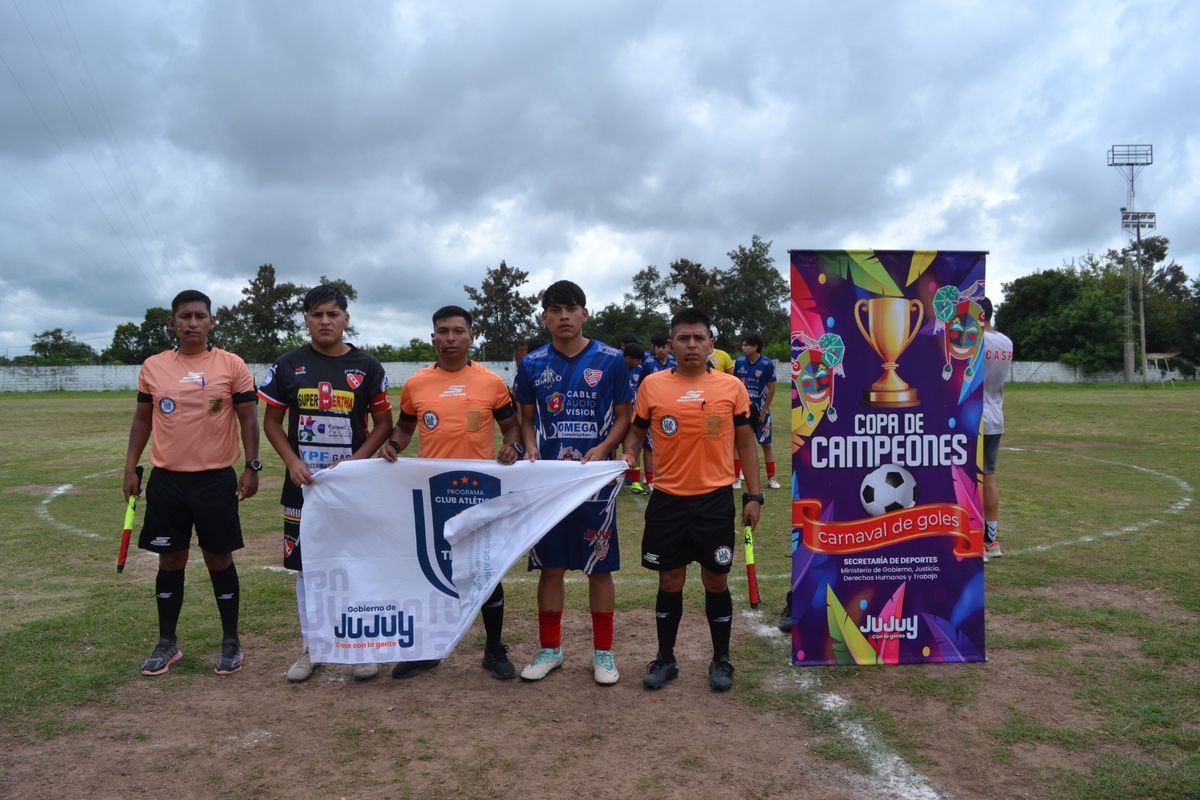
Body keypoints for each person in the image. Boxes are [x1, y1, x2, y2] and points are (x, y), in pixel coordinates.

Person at [379, 305, 523, 680]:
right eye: (443, 331)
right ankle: (427, 650)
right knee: (431, 569)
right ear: (433, 337)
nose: (450, 338)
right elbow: (405, 429)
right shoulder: (416, 384)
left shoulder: (492, 383)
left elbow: (511, 428)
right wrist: (393, 444)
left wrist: (513, 446)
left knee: (485, 570)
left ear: (471, 337)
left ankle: (494, 650)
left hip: (479, 493)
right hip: (435, 494)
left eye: (458, 331)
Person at [258, 284, 394, 682]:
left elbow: (383, 423)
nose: (325, 321)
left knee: (356, 563)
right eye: (317, 315)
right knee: (307, 568)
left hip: (351, 488)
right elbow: (272, 422)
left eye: (333, 314)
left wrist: (356, 461)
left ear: (346, 319)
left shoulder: (367, 367)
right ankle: (313, 646)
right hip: (304, 487)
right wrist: (292, 461)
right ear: (306, 320)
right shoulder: (289, 364)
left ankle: (361, 646)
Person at [622, 308, 762, 692]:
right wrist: (630, 453)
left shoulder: (732, 387)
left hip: (714, 501)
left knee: (715, 581)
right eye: (683, 338)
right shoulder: (651, 385)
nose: (691, 344)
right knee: (670, 579)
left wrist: (754, 496)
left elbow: (746, 443)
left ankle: (722, 660)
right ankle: (666, 659)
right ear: (671, 344)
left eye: (699, 338)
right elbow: (635, 433)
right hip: (667, 500)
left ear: (711, 344)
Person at [123, 289, 261, 677]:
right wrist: (130, 467)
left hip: (215, 480)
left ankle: (231, 641)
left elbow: (248, 418)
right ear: (172, 323)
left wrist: (252, 466)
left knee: (219, 557)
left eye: (200, 316)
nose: (193, 323)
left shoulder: (231, 364)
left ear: (212, 322)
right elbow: (142, 420)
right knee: (170, 559)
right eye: (185, 316)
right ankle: (167, 642)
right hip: (168, 481)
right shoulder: (153, 367)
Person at [514, 280, 631, 685]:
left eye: (571, 308)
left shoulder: (611, 359)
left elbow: (624, 416)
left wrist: (605, 448)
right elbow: (526, 417)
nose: (564, 316)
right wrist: (530, 446)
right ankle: (551, 649)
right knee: (552, 567)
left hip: (593, 481)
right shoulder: (532, 363)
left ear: (585, 313)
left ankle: (604, 654)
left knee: (600, 567)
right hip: (549, 482)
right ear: (544, 317)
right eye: (555, 310)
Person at [980, 297, 1013, 561]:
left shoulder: (976, 341)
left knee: (970, 480)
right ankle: (991, 541)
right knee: (989, 477)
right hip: (995, 416)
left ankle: (974, 541)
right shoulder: (1006, 342)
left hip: (974, 418)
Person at [733, 334, 779, 490]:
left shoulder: (767, 364)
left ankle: (771, 478)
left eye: (746, 345)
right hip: (742, 409)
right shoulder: (740, 362)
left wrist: (764, 410)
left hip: (760, 410)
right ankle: (736, 478)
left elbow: (772, 389)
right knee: (738, 444)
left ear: (755, 347)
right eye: (743, 345)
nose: (743, 348)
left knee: (766, 445)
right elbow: (735, 384)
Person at [622, 342, 650, 494]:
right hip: (617, 414)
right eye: (637, 360)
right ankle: (611, 479)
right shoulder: (616, 368)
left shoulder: (640, 370)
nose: (640, 363)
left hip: (634, 413)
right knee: (612, 447)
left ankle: (635, 481)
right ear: (627, 358)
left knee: (634, 447)